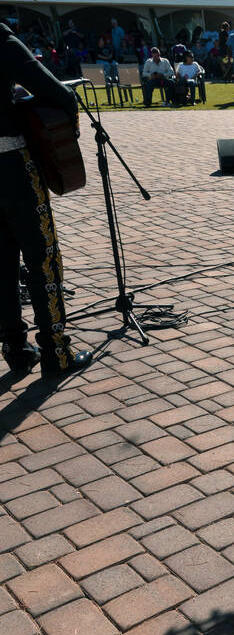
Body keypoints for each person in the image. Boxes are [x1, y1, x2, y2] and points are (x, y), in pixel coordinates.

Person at [0, 21, 92, 376]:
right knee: (43, 259)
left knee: (2, 263)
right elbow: (57, 92)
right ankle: (56, 350)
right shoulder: (1, 40)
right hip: (11, 164)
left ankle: (16, 347)